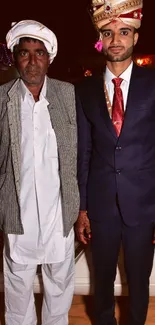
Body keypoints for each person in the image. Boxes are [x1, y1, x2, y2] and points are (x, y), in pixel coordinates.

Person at [75, 0, 155, 324]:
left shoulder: (153, 85)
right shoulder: (85, 90)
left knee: (138, 284)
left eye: (124, 32)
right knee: (102, 284)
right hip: (101, 206)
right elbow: (84, 152)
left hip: (144, 205)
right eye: (108, 33)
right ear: (99, 38)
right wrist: (82, 208)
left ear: (135, 37)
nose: (116, 40)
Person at [0, 20, 79, 325]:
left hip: (58, 212)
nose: (32, 61)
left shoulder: (67, 95)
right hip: (17, 214)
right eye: (25, 53)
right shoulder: (3, 98)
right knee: (17, 286)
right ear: (15, 57)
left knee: (59, 285)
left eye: (39, 53)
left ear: (49, 58)